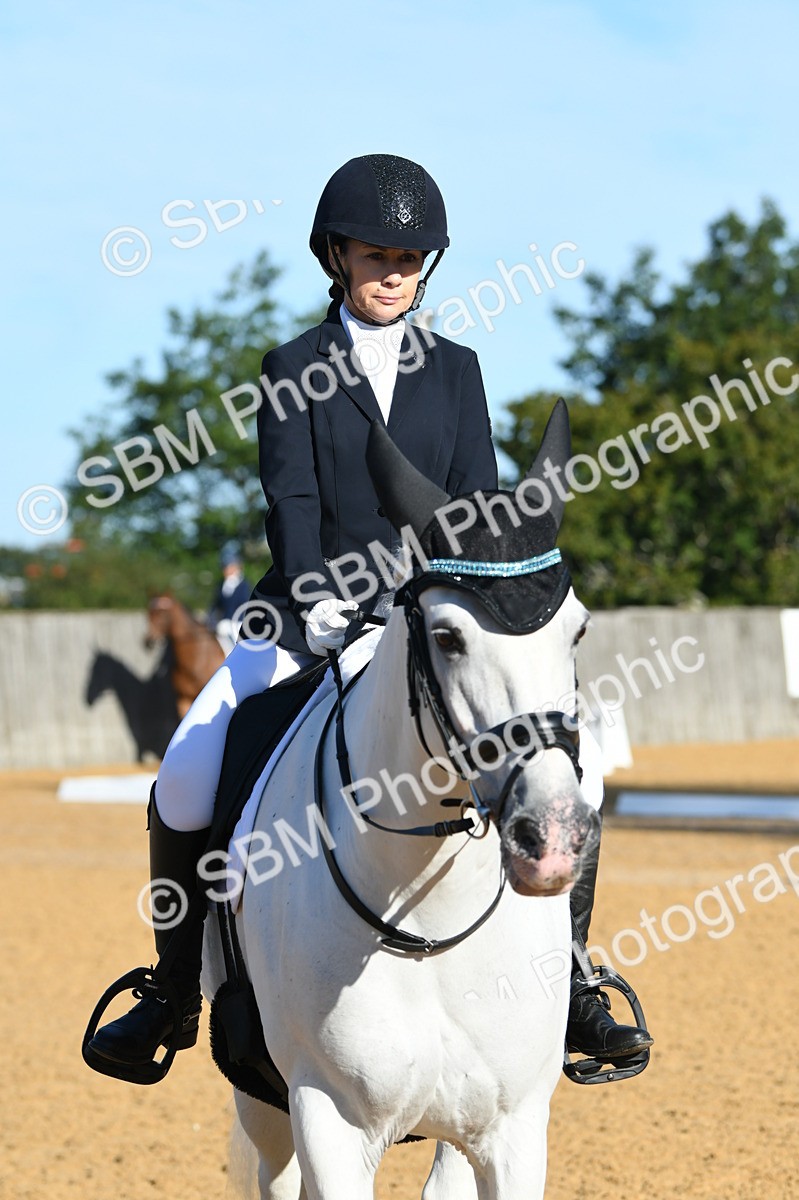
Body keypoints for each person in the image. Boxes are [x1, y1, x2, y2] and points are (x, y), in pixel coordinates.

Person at [85, 153, 649, 1076]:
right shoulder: (290, 368)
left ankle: (576, 980)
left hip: (431, 622)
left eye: (409, 259)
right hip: (302, 619)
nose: (394, 273)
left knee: (562, 770)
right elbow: (291, 502)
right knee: (185, 773)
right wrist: (317, 596)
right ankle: (172, 990)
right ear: (336, 256)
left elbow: (473, 507)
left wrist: (450, 606)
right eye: (377, 255)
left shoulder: (456, 370)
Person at [207, 543, 251, 653]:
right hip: (223, 623)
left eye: (228, 567)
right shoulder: (221, 585)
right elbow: (215, 604)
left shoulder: (244, 585)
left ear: (236, 567)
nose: (225, 570)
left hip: (238, 623)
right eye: (224, 567)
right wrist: (210, 619)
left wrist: (230, 621)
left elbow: (244, 604)